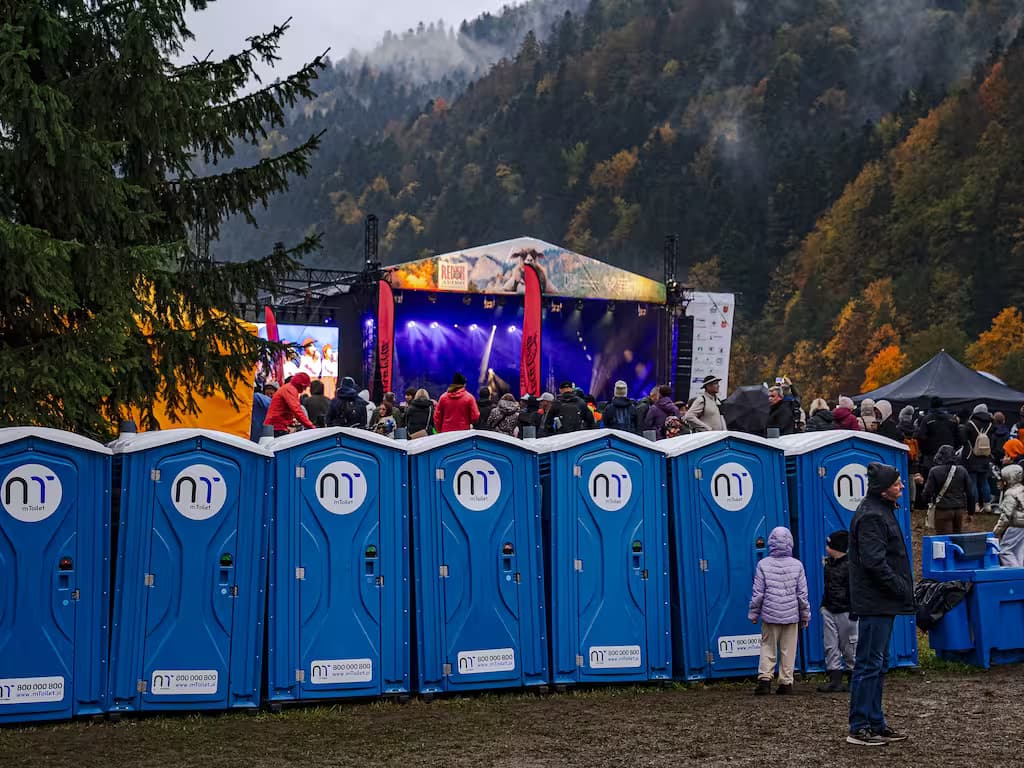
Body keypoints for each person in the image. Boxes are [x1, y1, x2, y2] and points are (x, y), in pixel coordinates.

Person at [846, 463, 914, 747]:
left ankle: (875, 721)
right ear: (884, 488)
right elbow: (874, 562)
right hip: (875, 601)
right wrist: (899, 587)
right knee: (869, 663)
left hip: (880, 600)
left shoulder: (879, 510)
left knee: (877, 662)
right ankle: (860, 726)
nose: (901, 487)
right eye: (897, 483)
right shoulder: (873, 515)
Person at [748, 526, 810, 696]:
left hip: (770, 614)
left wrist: (754, 613)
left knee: (768, 646)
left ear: (771, 543)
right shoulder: (797, 565)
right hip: (791, 615)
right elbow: (802, 594)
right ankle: (786, 683)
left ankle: (765, 680)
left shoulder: (763, 564)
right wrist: (805, 614)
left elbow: (758, 593)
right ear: (790, 543)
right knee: (788, 649)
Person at [818, 530, 857, 694]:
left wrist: (855, 610)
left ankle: (853, 678)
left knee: (850, 646)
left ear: (837, 548)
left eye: (829, 545)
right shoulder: (830, 564)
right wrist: (824, 605)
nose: (826, 548)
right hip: (830, 609)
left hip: (846, 611)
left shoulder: (851, 567)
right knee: (830, 645)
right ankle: (835, 679)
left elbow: (855, 590)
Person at [921, 445, 974, 534]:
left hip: (942, 510)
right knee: (957, 540)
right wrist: (971, 512)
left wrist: (927, 502)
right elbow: (970, 493)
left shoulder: (934, 471)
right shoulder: (962, 470)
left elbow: (927, 492)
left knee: (945, 541)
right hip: (959, 510)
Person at [961, 404, 995, 514]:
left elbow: (963, 438)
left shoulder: (970, 424)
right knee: (984, 481)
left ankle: (974, 505)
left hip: (971, 457)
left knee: (973, 482)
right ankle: (987, 505)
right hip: (985, 457)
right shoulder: (991, 424)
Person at [916, 397, 962, 471]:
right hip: (950, 454)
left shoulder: (927, 419)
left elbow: (921, 437)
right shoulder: (952, 419)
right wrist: (954, 448)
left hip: (931, 456)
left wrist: (926, 452)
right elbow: (958, 437)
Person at [264, 372, 314, 436]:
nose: (304, 389)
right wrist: (311, 426)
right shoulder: (290, 389)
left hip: (274, 426)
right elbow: (297, 410)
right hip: (277, 427)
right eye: (305, 387)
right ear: (301, 385)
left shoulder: (288, 388)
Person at [993, 464, 1024, 567]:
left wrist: (997, 530)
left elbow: (1006, 515)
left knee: (1005, 550)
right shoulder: (1021, 489)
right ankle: (1020, 574)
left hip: (1016, 526)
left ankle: (1014, 574)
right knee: (1019, 552)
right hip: (1022, 527)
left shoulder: (1010, 493)